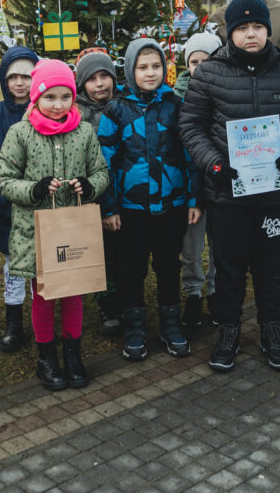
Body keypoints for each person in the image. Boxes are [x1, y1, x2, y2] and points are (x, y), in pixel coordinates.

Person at [179, 0, 280, 373]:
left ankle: (272, 332)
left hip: (274, 193)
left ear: (268, 31)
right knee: (229, 269)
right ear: (230, 33)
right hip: (227, 195)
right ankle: (228, 332)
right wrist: (215, 164)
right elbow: (190, 126)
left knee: (270, 267)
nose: (251, 34)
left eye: (257, 27)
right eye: (242, 28)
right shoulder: (209, 73)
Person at [0, 59, 109, 390]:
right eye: (50, 98)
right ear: (36, 98)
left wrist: (89, 186)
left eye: (65, 97)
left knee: (73, 293)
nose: (58, 105)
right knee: (43, 296)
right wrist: (33, 189)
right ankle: (46, 356)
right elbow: (3, 179)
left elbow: (101, 172)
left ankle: (73, 353)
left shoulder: (84, 131)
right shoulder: (21, 133)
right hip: (37, 232)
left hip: (73, 228)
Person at [98, 38, 201, 361]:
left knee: (169, 264)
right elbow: (106, 160)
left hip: (171, 204)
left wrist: (194, 198)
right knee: (133, 267)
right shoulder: (115, 109)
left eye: (156, 66)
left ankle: (171, 325)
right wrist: (110, 207)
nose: (150, 72)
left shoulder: (176, 104)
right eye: (143, 67)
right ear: (130, 70)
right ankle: (135, 327)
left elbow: (189, 154)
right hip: (132, 208)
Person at [0, 45, 40, 352]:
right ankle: (14, 321)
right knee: (14, 266)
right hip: (10, 207)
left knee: (42, 263)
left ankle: (41, 318)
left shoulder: (47, 111)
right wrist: (1, 195)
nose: (20, 83)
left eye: (27, 76)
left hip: (43, 205)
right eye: (13, 76)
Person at [173, 31, 223, 327]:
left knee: (220, 243)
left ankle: (216, 290)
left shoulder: (226, 91)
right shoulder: (176, 99)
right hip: (190, 185)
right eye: (194, 62)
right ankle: (192, 292)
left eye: (207, 61)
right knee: (191, 247)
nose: (200, 67)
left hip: (220, 183)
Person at [73, 48, 123, 336]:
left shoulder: (123, 106)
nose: (100, 83)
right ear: (82, 84)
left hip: (126, 193)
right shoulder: (77, 114)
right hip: (94, 197)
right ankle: (108, 305)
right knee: (102, 255)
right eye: (92, 79)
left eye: (105, 76)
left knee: (124, 253)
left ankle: (129, 301)